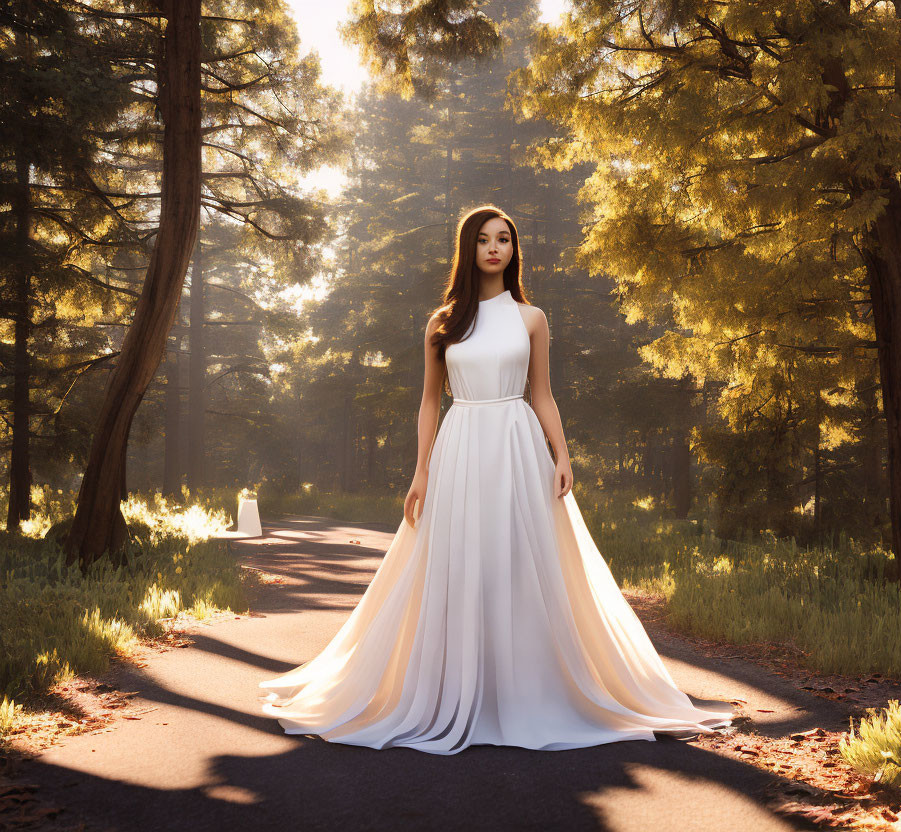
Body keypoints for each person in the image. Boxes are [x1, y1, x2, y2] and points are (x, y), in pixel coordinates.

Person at [258, 205, 733, 754]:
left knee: (521, 563)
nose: (493, 248)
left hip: (517, 443)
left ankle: (523, 689)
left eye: (503, 239)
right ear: (469, 249)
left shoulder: (532, 319)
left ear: (513, 249)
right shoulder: (443, 321)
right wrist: (421, 470)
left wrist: (562, 454)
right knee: (459, 560)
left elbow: (542, 394)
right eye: (483, 240)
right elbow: (430, 402)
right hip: (461, 445)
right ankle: (459, 687)